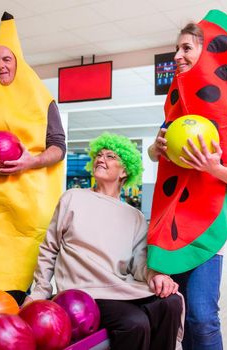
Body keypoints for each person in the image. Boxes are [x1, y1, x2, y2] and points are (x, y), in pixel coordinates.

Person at [146, 10, 227, 350]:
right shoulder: (175, 107)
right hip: (169, 223)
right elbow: (155, 155)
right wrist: (155, 148)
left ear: (206, 52)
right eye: (176, 50)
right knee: (169, 312)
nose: (177, 57)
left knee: (201, 317)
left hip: (207, 225)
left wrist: (213, 168)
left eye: (185, 49)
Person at [28, 133, 183, 350]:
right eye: (99, 155)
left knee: (172, 302)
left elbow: (139, 262)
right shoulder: (73, 197)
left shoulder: (134, 216)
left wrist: (155, 275)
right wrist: (39, 293)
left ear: (125, 171)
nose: (101, 159)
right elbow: (49, 248)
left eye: (110, 156)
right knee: (135, 324)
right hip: (84, 291)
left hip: (120, 288)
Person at [0, 12, 65, 305]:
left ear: (18, 62)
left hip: (30, 205)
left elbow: (58, 147)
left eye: (6, 59)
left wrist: (32, 162)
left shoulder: (42, 100)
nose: (0, 65)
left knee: (29, 286)